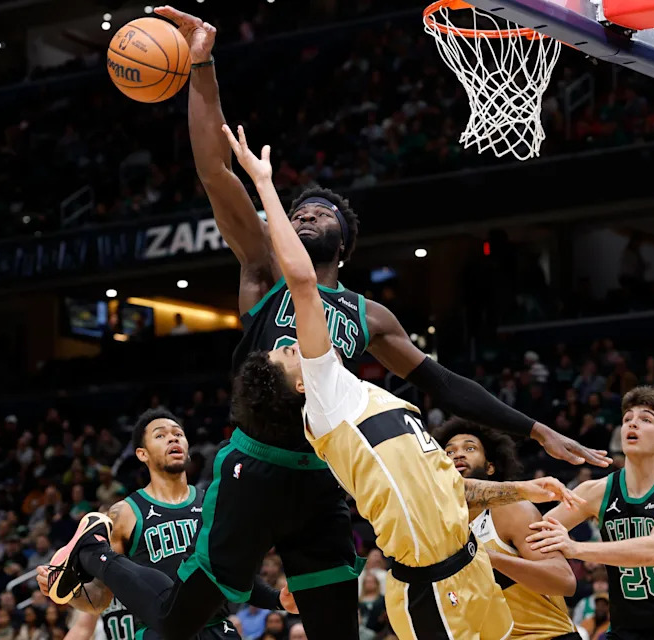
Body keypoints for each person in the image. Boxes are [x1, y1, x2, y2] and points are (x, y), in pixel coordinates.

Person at [219, 125, 585, 639]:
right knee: (218, 580)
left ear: (345, 241)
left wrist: (533, 438)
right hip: (273, 456)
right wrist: (207, 81)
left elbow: (444, 419)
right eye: (299, 213)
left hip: (439, 550)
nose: (307, 217)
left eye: (321, 213)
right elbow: (289, 266)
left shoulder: (376, 382)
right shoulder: (299, 331)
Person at [38, 408, 290, 640]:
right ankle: (87, 554)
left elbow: (235, 576)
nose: (173, 439)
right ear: (142, 453)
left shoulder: (213, 504)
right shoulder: (125, 513)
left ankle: (90, 552)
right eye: (161, 436)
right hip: (160, 632)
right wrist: (70, 592)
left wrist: (277, 599)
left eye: (178, 434)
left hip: (217, 628)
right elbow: (102, 598)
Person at [527, 387, 654, 639]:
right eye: (627, 419)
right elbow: (529, 536)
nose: (632, 424)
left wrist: (575, 548)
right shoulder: (596, 491)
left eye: (645, 419)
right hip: (626, 630)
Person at [435, 418, 580, 640]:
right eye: (449, 452)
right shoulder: (439, 530)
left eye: (469, 448)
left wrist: (485, 556)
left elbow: (564, 581)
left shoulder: (510, 510)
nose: (457, 455)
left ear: (490, 467)